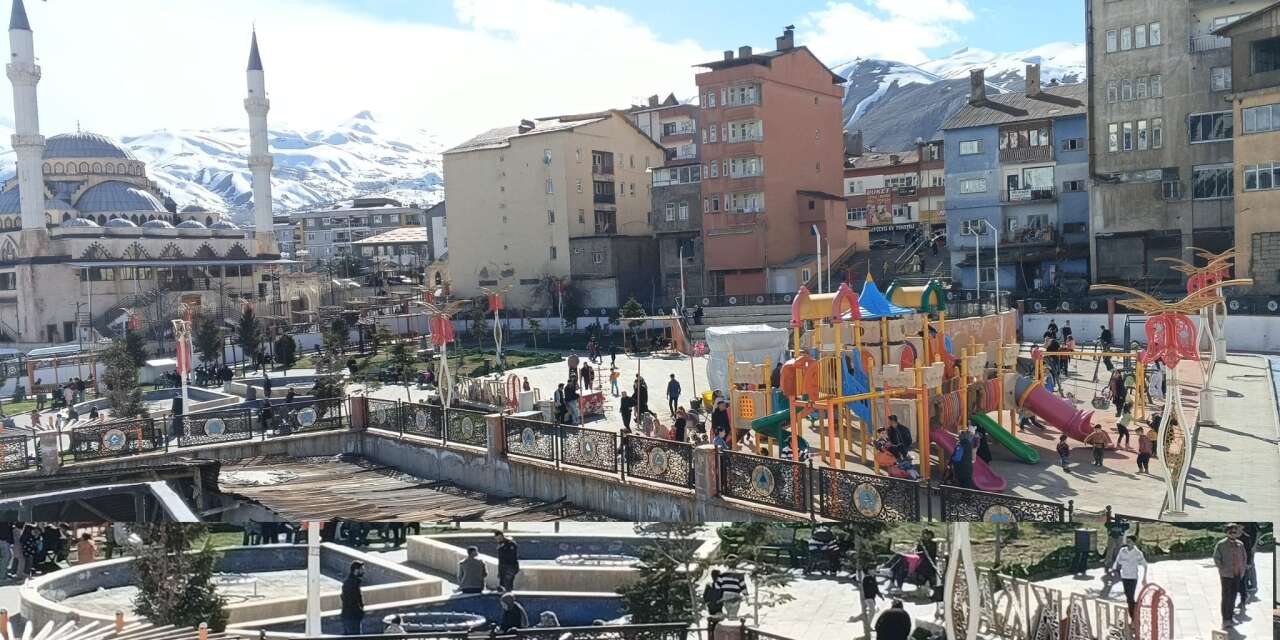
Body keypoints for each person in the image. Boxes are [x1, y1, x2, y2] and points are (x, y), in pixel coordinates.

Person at [1214, 523, 1247, 629]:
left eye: (1235, 532)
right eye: (1231, 532)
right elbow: (1216, 558)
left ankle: (1230, 617)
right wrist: (1222, 568)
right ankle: (1225, 620)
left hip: (1237, 574)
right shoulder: (1221, 544)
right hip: (1226, 575)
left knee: (1233, 597)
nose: (1233, 534)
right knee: (1226, 597)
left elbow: (1244, 558)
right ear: (1227, 532)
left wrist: (1242, 571)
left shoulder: (1240, 544)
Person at [1110, 536, 1146, 616]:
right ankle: (1135, 609)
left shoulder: (1138, 553)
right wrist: (1114, 570)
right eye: (1127, 541)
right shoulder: (1122, 550)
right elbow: (1117, 561)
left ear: (1134, 542)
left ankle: (1133, 615)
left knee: (1130, 596)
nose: (1128, 543)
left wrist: (1144, 578)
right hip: (1124, 576)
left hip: (1133, 577)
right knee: (1127, 595)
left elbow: (1145, 565)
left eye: (1129, 541)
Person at [340, 561, 365, 635]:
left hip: (349, 616)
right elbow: (352, 601)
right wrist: (360, 611)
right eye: (362, 569)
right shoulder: (352, 583)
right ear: (356, 570)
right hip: (352, 617)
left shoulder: (350, 582)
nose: (363, 571)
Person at [860, 568, 883, 637]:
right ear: (869, 571)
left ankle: (867, 624)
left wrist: (880, 595)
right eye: (872, 570)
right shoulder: (866, 578)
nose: (874, 571)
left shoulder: (873, 578)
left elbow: (876, 589)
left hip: (872, 598)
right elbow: (864, 588)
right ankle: (867, 625)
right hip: (868, 598)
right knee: (872, 611)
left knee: (872, 611)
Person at [703, 570, 724, 634]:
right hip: (717, 608)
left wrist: (708, 602)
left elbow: (705, 597)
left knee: (714, 625)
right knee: (716, 625)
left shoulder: (709, 586)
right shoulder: (720, 587)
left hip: (713, 608)